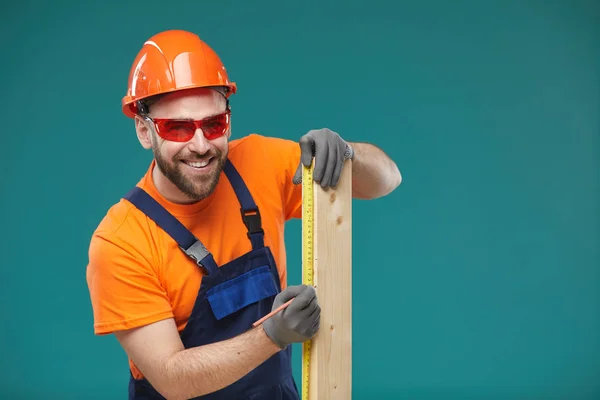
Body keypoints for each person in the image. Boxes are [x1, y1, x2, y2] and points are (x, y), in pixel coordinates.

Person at [85, 29, 402, 400]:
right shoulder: (121, 241)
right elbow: (172, 378)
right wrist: (272, 335)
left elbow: (387, 180)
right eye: (178, 128)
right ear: (144, 130)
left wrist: (348, 153)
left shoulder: (259, 164)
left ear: (229, 120)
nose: (200, 145)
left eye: (213, 124)